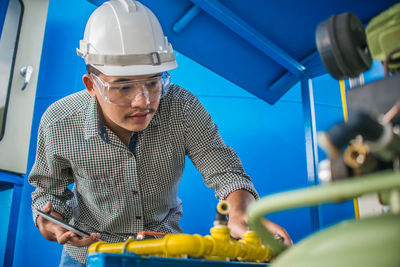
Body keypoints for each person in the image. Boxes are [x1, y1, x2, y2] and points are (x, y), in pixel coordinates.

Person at [29, 0, 292, 265]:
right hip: (88, 255)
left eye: (154, 82)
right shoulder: (59, 122)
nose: (143, 101)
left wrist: (241, 211)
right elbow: (47, 190)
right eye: (124, 87)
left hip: (163, 251)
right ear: (92, 85)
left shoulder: (182, 108)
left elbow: (224, 171)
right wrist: (50, 221)